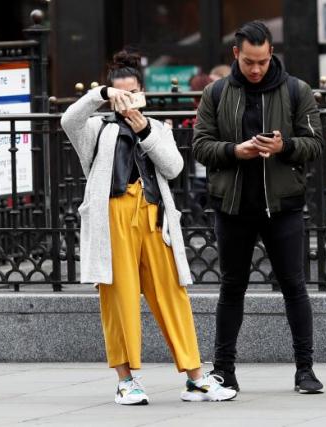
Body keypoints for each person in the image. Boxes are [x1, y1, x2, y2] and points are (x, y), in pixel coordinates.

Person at [61, 50, 237, 405]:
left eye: (132, 93)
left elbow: (173, 168)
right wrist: (101, 96)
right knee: (119, 299)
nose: (127, 102)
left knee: (173, 295)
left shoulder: (155, 127)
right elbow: (68, 119)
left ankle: (196, 378)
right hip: (114, 217)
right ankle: (126, 380)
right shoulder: (96, 128)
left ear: (142, 91)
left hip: (154, 217)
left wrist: (144, 130)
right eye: (120, 94)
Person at [192, 21, 324, 394]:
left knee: (293, 286)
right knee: (232, 287)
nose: (256, 69)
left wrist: (285, 147)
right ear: (236, 54)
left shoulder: (297, 90)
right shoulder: (216, 93)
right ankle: (224, 370)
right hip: (232, 206)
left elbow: (314, 143)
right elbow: (200, 145)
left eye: (263, 62)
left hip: (283, 205)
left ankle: (305, 370)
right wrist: (236, 151)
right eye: (249, 61)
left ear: (271, 55)